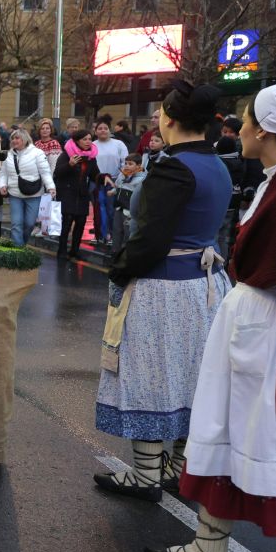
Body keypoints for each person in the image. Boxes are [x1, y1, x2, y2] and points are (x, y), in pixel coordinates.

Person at [147, 83, 276, 552]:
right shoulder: (273, 179)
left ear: (268, 130)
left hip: (273, 337)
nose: (241, 124)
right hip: (251, 327)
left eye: (249, 117)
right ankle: (209, 545)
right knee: (223, 429)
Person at [94, 80, 232, 503]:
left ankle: (146, 474)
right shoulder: (218, 165)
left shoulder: (174, 167)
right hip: (204, 287)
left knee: (150, 374)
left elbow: (151, 238)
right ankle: (175, 467)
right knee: (193, 378)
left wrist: (119, 271)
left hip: (164, 286)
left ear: (169, 119)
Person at [0, 128, 55, 247]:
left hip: (33, 194)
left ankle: (22, 244)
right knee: (16, 224)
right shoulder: (8, 155)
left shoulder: (37, 153)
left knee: (29, 223)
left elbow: (45, 172)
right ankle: (18, 250)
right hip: (14, 194)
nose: (14, 140)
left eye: (17, 138)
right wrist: (2, 185)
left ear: (24, 139)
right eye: (12, 138)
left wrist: (50, 187)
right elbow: (4, 173)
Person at [53, 131, 97, 262]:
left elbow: (95, 174)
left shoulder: (90, 157)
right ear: (77, 141)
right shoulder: (67, 154)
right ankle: (62, 251)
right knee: (67, 223)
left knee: (80, 223)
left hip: (82, 194)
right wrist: (69, 165)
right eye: (85, 139)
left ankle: (75, 251)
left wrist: (104, 178)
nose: (88, 141)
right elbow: (57, 173)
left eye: (90, 139)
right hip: (67, 193)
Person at [91, 121, 128, 245]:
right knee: (99, 209)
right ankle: (101, 235)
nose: (102, 130)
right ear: (95, 131)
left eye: (105, 128)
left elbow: (125, 162)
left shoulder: (118, 144)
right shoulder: (91, 145)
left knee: (111, 210)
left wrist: (120, 180)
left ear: (109, 130)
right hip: (97, 182)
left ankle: (112, 235)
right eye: (99, 128)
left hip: (114, 180)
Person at [111, 153, 146, 255]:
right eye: (126, 163)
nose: (126, 166)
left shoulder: (142, 179)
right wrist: (113, 190)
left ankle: (125, 254)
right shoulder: (123, 174)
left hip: (129, 210)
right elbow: (118, 185)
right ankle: (115, 251)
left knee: (128, 232)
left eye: (130, 164)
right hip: (119, 206)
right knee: (117, 230)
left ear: (139, 166)